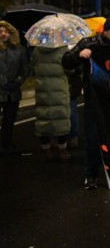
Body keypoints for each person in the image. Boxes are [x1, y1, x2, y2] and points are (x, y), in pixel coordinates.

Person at [63, 16, 110, 189]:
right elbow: (66, 61)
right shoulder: (89, 43)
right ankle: (91, 175)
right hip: (95, 100)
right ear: (106, 31)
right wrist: (79, 55)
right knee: (93, 139)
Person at [32, 44, 71, 161]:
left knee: (43, 117)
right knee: (61, 117)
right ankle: (62, 149)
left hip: (42, 87)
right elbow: (69, 70)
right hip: (59, 88)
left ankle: (45, 148)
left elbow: (33, 67)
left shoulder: (36, 51)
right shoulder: (63, 50)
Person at [0, 21, 31, 154]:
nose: (3, 34)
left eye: (5, 31)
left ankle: (6, 144)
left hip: (13, 92)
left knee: (9, 120)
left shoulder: (20, 50)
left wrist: (17, 82)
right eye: (0, 32)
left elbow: (25, 69)